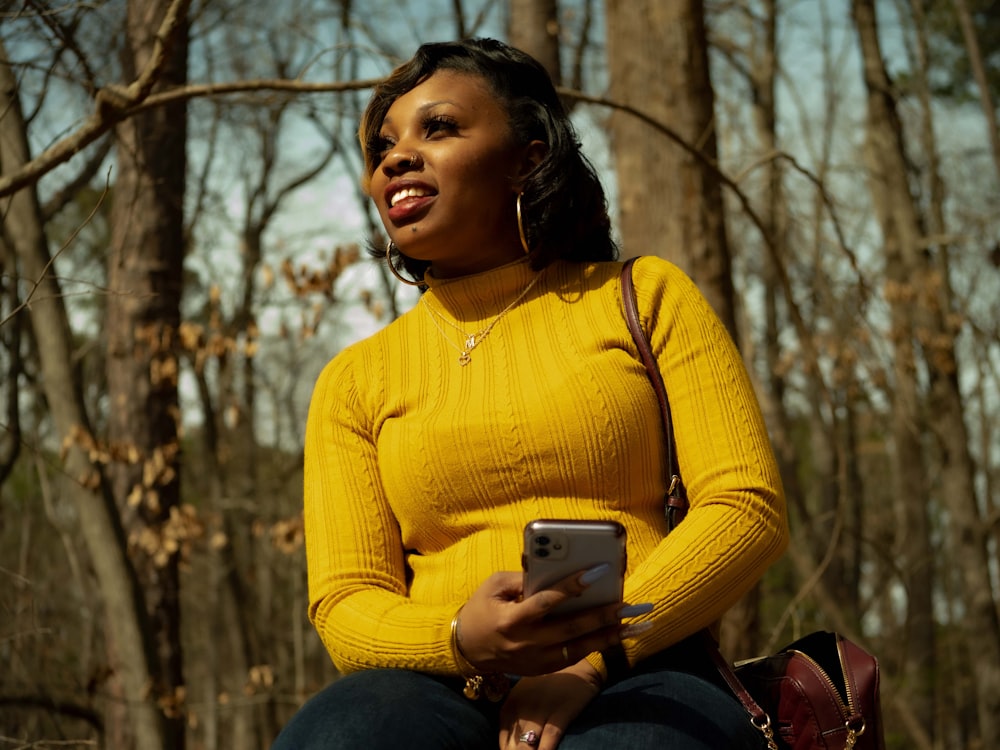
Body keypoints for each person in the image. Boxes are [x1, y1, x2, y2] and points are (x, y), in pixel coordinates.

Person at [272, 37, 788, 750]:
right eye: (381, 147)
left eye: (440, 127)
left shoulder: (643, 297)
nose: (396, 157)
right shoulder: (356, 379)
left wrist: (594, 656)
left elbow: (745, 510)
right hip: (434, 682)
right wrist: (457, 636)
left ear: (531, 156)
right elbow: (345, 602)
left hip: (641, 665)